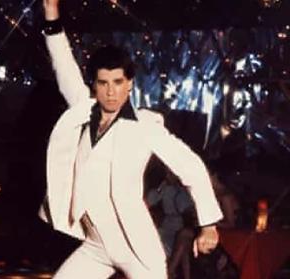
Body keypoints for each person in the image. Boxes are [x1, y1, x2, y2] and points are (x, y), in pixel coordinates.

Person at [38, 0, 223, 278]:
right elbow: (64, 66)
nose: (111, 92)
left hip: (137, 249)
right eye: (103, 83)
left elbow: (190, 165)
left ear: (130, 84)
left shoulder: (145, 126)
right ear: (94, 86)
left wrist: (208, 224)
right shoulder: (83, 110)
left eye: (118, 82)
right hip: (95, 245)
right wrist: (51, 14)